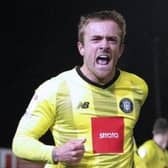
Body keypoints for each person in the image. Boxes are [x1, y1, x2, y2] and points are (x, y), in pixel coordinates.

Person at [12, 9, 149, 168]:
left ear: (121, 50)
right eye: (96, 39)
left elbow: (127, 136)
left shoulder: (137, 87)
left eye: (112, 40)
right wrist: (56, 153)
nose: (104, 45)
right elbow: (20, 142)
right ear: (81, 48)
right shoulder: (54, 90)